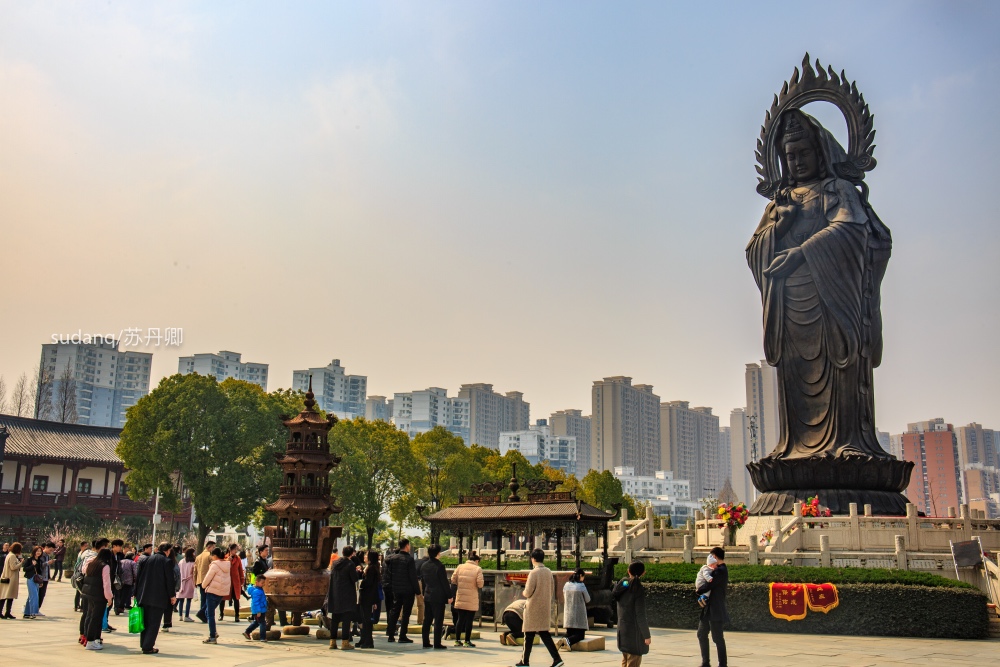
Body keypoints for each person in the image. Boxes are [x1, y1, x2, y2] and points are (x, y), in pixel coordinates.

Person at [747, 108, 892, 464]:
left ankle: (849, 442)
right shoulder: (780, 203)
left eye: (803, 153)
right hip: (791, 306)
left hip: (833, 301)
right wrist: (781, 226)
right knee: (795, 376)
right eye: (789, 156)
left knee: (840, 366)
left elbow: (851, 231)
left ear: (821, 151)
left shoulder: (837, 190)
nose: (796, 162)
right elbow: (754, 251)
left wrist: (801, 253)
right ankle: (794, 447)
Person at [515, 548, 563, 667]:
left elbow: (528, 592)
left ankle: (525, 661)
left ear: (533, 559)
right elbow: (552, 590)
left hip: (533, 607)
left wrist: (524, 593)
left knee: (528, 634)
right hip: (544, 606)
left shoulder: (534, 573)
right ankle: (556, 659)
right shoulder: (548, 572)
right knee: (544, 634)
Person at [135, 543, 177, 655]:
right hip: (158, 597)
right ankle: (148, 647)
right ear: (168, 551)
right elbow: (170, 581)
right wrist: (172, 596)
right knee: (154, 623)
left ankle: (144, 643)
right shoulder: (167, 562)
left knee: (146, 622)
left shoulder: (146, 560)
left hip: (144, 596)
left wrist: (136, 593)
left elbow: (138, 577)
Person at [613, 561, 651, 667]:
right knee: (633, 661)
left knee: (625, 661)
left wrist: (626, 581)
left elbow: (619, 588)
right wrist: (646, 635)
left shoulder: (624, 585)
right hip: (634, 634)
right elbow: (640, 614)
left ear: (628, 571)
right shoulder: (637, 588)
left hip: (623, 630)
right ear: (643, 573)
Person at [696, 547, 729, 667]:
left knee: (717, 638)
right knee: (701, 634)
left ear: (714, 556)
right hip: (708, 609)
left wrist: (698, 591)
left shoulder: (720, 570)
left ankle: (722, 664)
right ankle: (705, 663)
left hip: (715, 609)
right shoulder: (716, 569)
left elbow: (709, 584)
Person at [385, 538, 420, 644]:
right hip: (408, 589)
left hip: (396, 588)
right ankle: (402, 635)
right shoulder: (409, 559)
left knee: (394, 611)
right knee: (406, 613)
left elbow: (389, 574)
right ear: (407, 546)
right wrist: (418, 591)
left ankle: (391, 634)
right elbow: (413, 576)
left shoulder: (393, 558)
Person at [79, 548, 115, 650]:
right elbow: (106, 584)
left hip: (88, 593)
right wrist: (109, 597)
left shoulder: (91, 564)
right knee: (96, 618)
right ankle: (91, 641)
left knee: (90, 616)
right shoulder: (105, 566)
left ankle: (90, 638)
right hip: (99, 595)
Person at [326, 545, 360, 650]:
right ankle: (345, 642)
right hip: (347, 595)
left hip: (335, 594)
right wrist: (357, 571)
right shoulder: (350, 564)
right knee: (346, 619)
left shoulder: (335, 563)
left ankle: (332, 642)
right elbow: (354, 579)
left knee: (335, 619)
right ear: (351, 554)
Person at [419, 544, 452, 650]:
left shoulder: (424, 565)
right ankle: (437, 643)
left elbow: (423, 581)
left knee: (427, 620)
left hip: (428, 595)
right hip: (438, 596)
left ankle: (425, 641)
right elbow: (444, 583)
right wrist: (449, 596)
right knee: (438, 620)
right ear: (438, 553)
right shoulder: (439, 566)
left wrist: (424, 593)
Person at [451, 550, 484, 647]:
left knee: (460, 619)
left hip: (461, 595)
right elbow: (480, 584)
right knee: (469, 620)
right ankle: (467, 641)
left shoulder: (460, 567)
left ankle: (457, 640)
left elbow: (453, 579)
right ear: (477, 561)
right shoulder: (478, 569)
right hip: (471, 598)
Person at [200, 547, 230, 644]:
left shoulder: (215, 565)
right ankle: (213, 632)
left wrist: (203, 586)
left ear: (215, 556)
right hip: (221, 592)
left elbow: (208, 577)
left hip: (212, 591)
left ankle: (212, 636)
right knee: (208, 612)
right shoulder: (227, 564)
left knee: (210, 614)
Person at [557, 568, 591, 651]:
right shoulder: (581, 585)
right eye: (583, 576)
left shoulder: (566, 585)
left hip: (568, 613)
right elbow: (588, 599)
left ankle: (561, 641)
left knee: (569, 633)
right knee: (580, 635)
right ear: (580, 576)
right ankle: (567, 641)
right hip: (579, 614)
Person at [356, 550, 381, 648]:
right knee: (364, 619)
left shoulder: (371, 569)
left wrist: (361, 582)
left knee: (366, 620)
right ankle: (364, 639)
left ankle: (368, 641)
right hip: (368, 597)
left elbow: (368, 583)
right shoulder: (371, 568)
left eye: (366, 555)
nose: (364, 557)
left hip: (368, 597)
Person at [0, 542, 24, 620]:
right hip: (10, 579)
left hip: (7, 578)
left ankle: (6, 612)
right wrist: (21, 563)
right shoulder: (12, 556)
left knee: (5, 596)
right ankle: (6, 612)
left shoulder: (9, 555)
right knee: (8, 596)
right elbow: (13, 567)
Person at [194, 540, 216, 623]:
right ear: (209, 547)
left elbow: (195, 570)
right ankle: (204, 614)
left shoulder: (198, 556)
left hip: (199, 580)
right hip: (207, 580)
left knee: (203, 598)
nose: (213, 549)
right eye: (213, 547)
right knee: (209, 598)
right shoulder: (210, 556)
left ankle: (202, 614)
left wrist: (195, 581)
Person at [243, 571, 269, 642]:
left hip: (260, 609)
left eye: (264, 583)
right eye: (262, 583)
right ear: (257, 582)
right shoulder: (257, 591)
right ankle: (262, 637)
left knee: (257, 622)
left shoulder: (259, 589)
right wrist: (258, 611)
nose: (263, 584)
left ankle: (247, 632)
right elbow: (256, 602)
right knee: (262, 623)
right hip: (259, 610)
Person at [225, 543, 246, 622]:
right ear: (230, 550)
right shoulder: (225, 557)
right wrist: (227, 561)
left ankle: (237, 615)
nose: (236, 551)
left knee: (236, 598)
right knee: (223, 598)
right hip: (227, 580)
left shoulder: (238, 558)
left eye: (236, 549)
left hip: (235, 581)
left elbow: (240, 569)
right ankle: (221, 614)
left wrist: (242, 579)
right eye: (235, 549)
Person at [21, 545, 42, 619]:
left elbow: (40, 571)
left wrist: (41, 581)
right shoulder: (29, 559)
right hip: (30, 578)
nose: (38, 552)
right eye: (37, 551)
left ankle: (26, 613)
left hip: (37, 579)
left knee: (31, 596)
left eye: (40, 551)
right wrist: (32, 565)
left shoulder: (40, 560)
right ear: (34, 552)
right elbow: (25, 569)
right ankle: (33, 613)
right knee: (34, 596)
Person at [177, 548, 196, 621]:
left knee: (181, 599)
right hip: (189, 581)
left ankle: (180, 615)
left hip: (182, 581)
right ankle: (186, 615)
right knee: (189, 599)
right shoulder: (193, 562)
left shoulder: (181, 561)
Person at [36, 542, 55, 613]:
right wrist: (48, 563)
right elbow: (39, 566)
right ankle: (32, 609)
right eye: (50, 550)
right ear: (46, 547)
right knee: (37, 594)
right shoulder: (41, 555)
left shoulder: (47, 556)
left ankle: (37, 609)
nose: (51, 552)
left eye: (52, 550)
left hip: (46, 578)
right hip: (40, 578)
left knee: (42, 595)